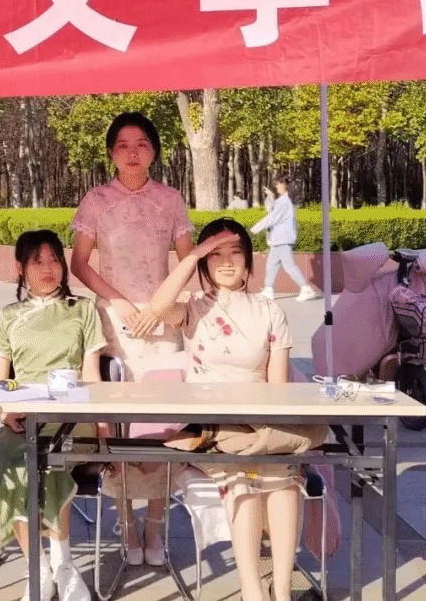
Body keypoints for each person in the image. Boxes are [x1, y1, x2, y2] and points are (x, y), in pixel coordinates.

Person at [133, 218, 318, 601]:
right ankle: (251, 589)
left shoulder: (269, 310)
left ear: (249, 261)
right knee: (242, 480)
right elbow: (157, 306)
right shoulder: (194, 308)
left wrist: (271, 428)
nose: (227, 261)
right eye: (215, 255)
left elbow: (278, 387)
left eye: (235, 252)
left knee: (283, 481)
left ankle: (282, 589)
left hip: (260, 424)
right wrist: (192, 256)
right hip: (212, 426)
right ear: (204, 263)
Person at [69, 111, 193, 564]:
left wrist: (160, 307)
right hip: (115, 322)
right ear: (110, 153)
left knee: (161, 421)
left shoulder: (171, 199)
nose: (132, 152)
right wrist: (118, 302)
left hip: (161, 324)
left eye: (141, 143)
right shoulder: (97, 200)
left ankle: (156, 527)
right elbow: (79, 263)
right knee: (116, 422)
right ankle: (125, 524)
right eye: (122, 145)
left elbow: (187, 261)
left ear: (154, 151)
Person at [0, 230, 105, 601]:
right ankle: (37, 569)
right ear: (20, 267)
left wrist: (102, 425)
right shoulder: (8, 316)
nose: (48, 268)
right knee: (18, 461)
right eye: (38, 261)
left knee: (50, 457)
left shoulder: (82, 309)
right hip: (24, 416)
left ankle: (63, 565)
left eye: (54, 259)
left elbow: (92, 375)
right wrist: (5, 413)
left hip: (72, 415)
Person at [251, 175, 317, 301]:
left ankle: (306, 289)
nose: (276, 186)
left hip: (283, 239)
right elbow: (271, 210)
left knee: (289, 265)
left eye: (278, 184)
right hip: (278, 240)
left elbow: (272, 218)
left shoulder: (284, 202)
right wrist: (271, 197)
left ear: (284, 186)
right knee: (271, 264)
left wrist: (256, 228)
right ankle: (268, 290)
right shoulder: (282, 201)